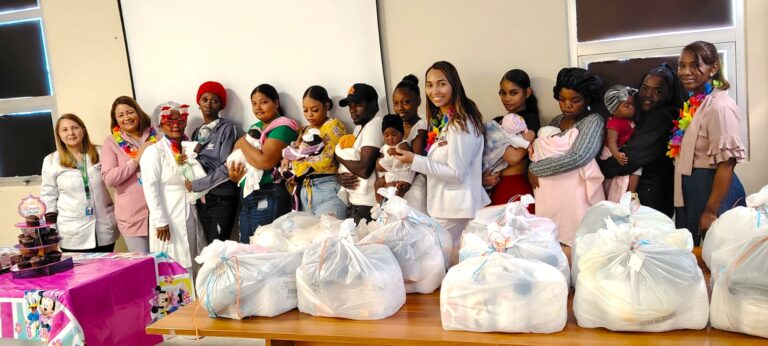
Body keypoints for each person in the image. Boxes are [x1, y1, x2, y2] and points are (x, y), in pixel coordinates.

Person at [393, 61, 490, 260]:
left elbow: (456, 174)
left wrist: (415, 160)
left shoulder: (461, 123)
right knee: (444, 262)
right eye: (429, 85)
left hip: (456, 208)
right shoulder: (443, 121)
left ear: (454, 85)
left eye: (441, 84)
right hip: (447, 206)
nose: (434, 91)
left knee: (434, 261)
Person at [672, 41, 746, 245]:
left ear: (713, 68)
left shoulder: (720, 106)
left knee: (713, 251)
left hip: (711, 189)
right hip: (692, 187)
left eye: (695, 65)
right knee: (694, 249)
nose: (686, 72)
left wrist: (710, 212)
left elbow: (727, 163)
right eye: (682, 65)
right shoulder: (696, 102)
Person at [528, 67, 605, 248]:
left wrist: (535, 168)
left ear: (587, 99)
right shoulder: (556, 121)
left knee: (577, 240)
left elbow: (579, 156)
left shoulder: (593, 121)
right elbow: (543, 148)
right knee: (552, 239)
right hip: (551, 195)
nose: (567, 105)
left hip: (575, 194)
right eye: (562, 99)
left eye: (575, 100)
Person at [598, 63, 684, 217]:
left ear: (669, 94)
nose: (648, 94)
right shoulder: (643, 114)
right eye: (644, 88)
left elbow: (633, 156)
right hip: (644, 192)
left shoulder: (662, 117)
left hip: (650, 194)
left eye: (658, 91)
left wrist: (600, 168)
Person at [140, 102, 206, 273]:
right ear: (160, 124)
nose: (176, 125)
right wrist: (160, 221)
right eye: (169, 121)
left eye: (180, 120)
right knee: (173, 265)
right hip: (168, 216)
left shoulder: (188, 148)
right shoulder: (154, 152)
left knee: (193, 257)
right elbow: (150, 187)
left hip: (189, 211)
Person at [228, 84, 298, 243]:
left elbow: (264, 161)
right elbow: (238, 156)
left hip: (269, 193)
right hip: (248, 196)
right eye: (254, 103)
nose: (258, 107)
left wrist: (242, 142)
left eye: (263, 102)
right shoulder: (256, 127)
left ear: (276, 103)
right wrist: (234, 175)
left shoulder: (283, 127)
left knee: (263, 249)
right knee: (246, 248)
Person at [41, 114, 118, 252]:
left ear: (83, 130)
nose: (71, 133)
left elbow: (116, 177)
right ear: (59, 134)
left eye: (75, 127)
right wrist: (49, 231)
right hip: (72, 230)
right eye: (65, 130)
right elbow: (48, 196)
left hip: (103, 226)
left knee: (106, 264)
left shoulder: (101, 152)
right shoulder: (51, 160)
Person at [101, 96, 157, 252]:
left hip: (160, 213)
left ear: (138, 112)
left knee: (164, 262)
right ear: (116, 120)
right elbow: (109, 179)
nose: (126, 118)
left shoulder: (156, 136)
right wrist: (135, 160)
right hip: (132, 216)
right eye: (120, 115)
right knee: (143, 263)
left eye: (130, 112)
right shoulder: (111, 142)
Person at [185, 81, 238, 244]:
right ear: (199, 103)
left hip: (221, 197)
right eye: (205, 99)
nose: (208, 103)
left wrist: (198, 185)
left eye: (214, 100)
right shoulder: (196, 132)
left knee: (218, 247)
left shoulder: (227, 128)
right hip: (202, 199)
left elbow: (226, 167)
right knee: (207, 247)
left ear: (221, 105)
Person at [284, 85, 348, 219]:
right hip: (304, 191)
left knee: (328, 231)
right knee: (309, 232)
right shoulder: (304, 129)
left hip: (327, 188)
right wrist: (289, 158)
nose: (309, 115)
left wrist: (297, 158)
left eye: (314, 110)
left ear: (326, 106)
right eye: (305, 110)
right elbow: (292, 153)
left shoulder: (333, 126)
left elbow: (324, 160)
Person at [484, 69, 538, 208]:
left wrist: (500, 141)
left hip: (514, 183)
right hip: (492, 186)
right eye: (503, 93)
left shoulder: (529, 119)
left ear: (527, 92)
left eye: (513, 93)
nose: (507, 98)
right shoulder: (496, 121)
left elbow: (513, 157)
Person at [336, 83, 384, 224]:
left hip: (368, 206)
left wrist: (338, 156)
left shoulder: (374, 125)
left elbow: (364, 170)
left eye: (357, 105)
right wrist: (341, 177)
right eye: (350, 106)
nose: (352, 110)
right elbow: (352, 163)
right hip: (357, 203)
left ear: (373, 104)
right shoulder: (359, 128)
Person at [600, 85, 642, 202]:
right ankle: (618, 196)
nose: (632, 108)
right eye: (627, 106)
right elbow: (611, 143)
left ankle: (632, 193)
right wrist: (617, 155)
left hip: (622, 148)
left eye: (633, 105)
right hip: (611, 151)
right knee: (619, 177)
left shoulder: (629, 120)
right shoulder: (614, 124)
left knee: (637, 168)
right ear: (614, 109)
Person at [375, 114, 414, 200]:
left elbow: (406, 153)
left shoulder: (402, 144)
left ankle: (400, 192)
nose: (390, 138)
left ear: (402, 133)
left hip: (402, 175)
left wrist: (395, 151)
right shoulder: (385, 147)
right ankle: (379, 200)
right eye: (386, 135)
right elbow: (381, 158)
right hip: (390, 174)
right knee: (377, 183)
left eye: (394, 134)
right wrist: (379, 160)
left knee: (392, 187)